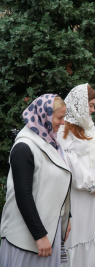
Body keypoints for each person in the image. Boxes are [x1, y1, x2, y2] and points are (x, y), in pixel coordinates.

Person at [0, 94, 72, 267]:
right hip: (28, 239)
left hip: (48, 232)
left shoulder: (51, 144)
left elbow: (58, 183)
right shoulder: (24, 148)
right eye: (60, 117)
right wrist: (39, 235)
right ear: (44, 115)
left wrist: (66, 217)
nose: (63, 122)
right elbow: (23, 196)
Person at [58, 84, 95, 267]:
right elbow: (71, 163)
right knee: (81, 237)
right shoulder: (64, 128)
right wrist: (93, 188)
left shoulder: (90, 127)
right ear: (79, 104)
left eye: (94, 106)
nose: (92, 110)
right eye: (90, 105)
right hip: (81, 196)